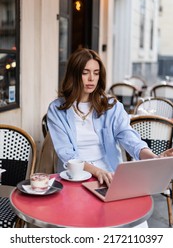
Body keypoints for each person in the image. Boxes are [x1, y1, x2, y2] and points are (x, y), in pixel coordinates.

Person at [47, 48, 173, 187]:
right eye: (85, 73)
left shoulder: (111, 106)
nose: (91, 79)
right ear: (74, 75)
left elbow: (129, 137)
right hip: (74, 177)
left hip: (109, 175)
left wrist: (153, 158)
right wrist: (97, 171)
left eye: (96, 73)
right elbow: (67, 155)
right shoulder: (57, 109)